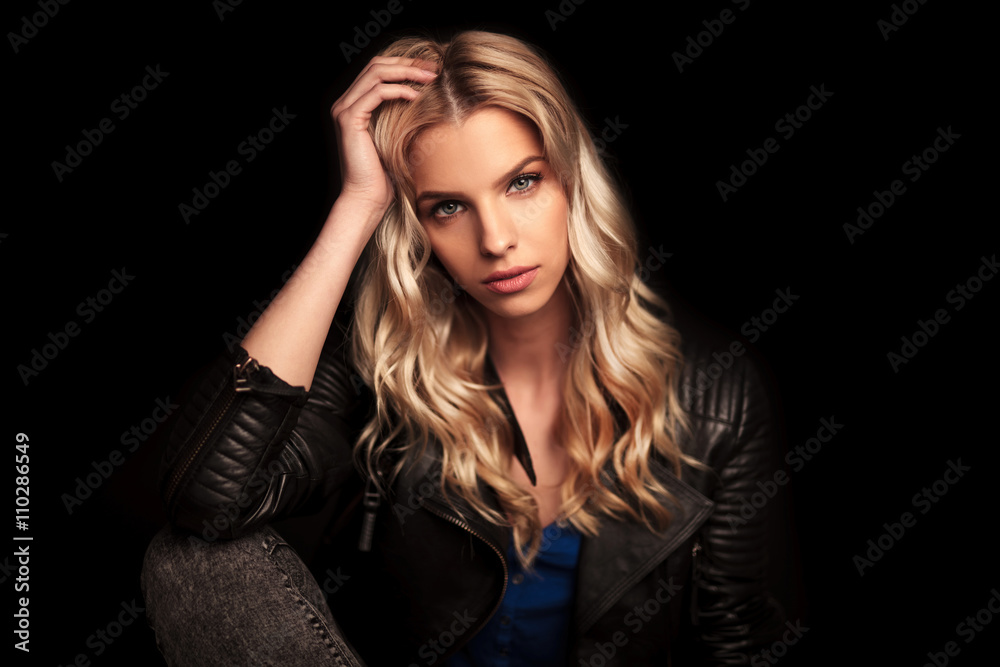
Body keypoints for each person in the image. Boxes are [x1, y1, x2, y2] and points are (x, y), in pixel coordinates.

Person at [141, 30, 786, 666]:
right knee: (188, 561)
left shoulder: (717, 394)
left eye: (522, 183)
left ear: (572, 180)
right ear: (415, 226)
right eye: (448, 207)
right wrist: (358, 206)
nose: (496, 239)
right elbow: (207, 501)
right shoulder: (381, 366)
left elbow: (736, 637)